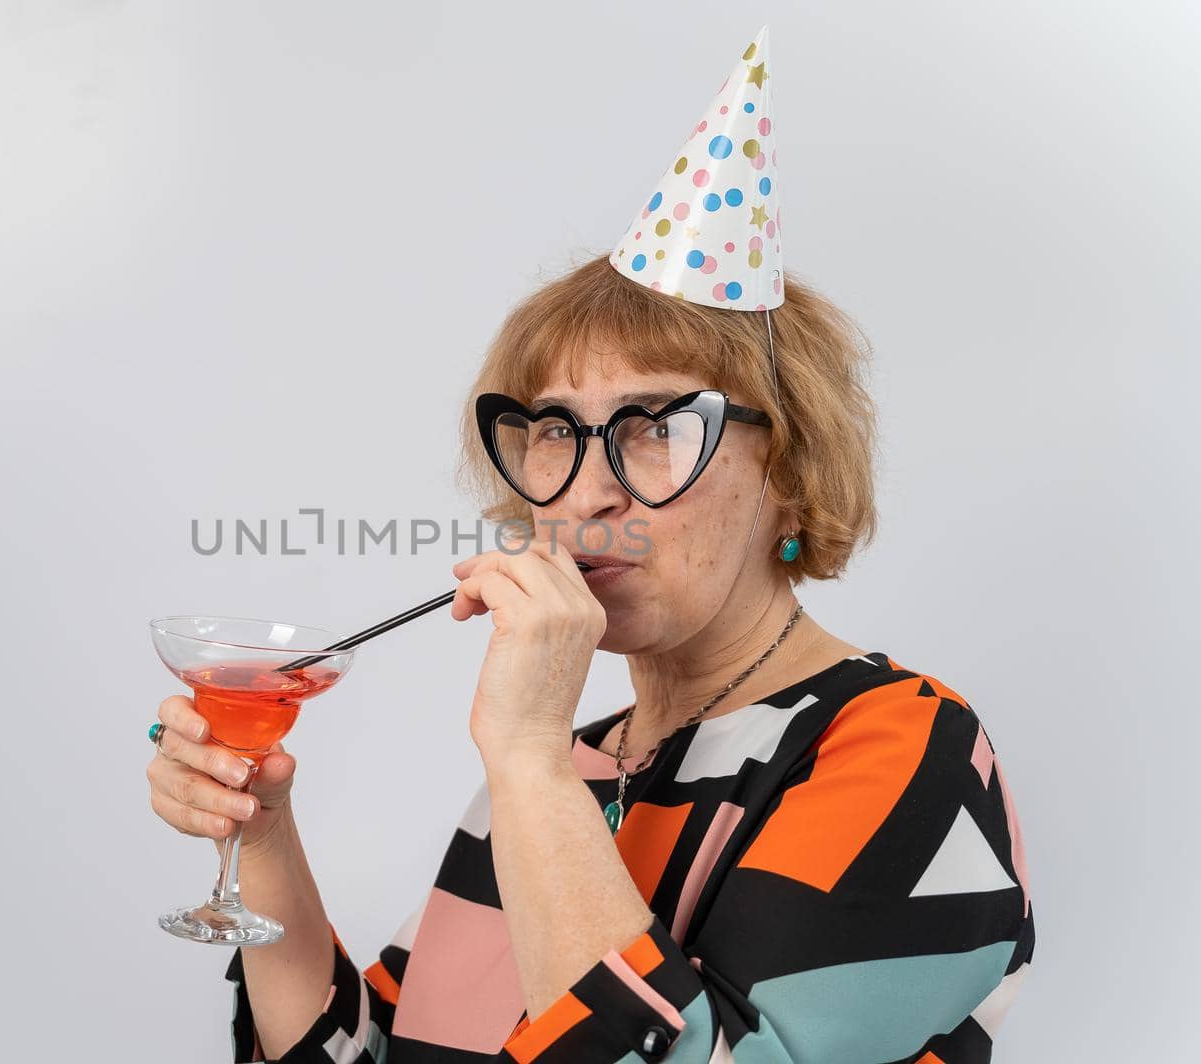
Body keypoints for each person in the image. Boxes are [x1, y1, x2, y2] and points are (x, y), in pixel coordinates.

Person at [147, 27, 1033, 1063]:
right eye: (556, 430)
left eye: (656, 427)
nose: (586, 486)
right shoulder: (569, 767)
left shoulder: (901, 747)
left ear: (788, 475)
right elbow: (368, 1053)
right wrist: (262, 831)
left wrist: (525, 756)